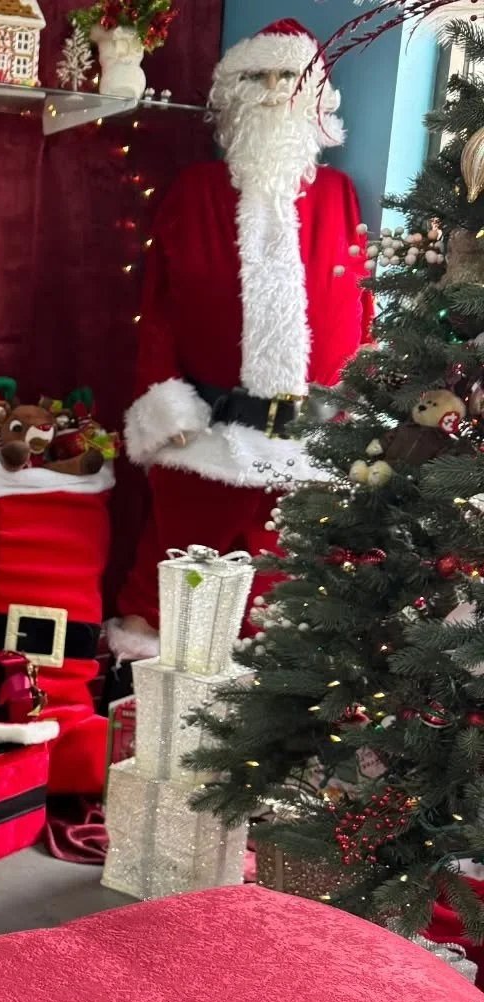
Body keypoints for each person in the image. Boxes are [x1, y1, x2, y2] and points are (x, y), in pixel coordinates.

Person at [108, 19, 373, 660]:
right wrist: (162, 399)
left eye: (290, 78)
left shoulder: (338, 196)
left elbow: (358, 305)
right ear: (232, 92)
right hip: (207, 424)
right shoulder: (195, 191)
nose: (275, 89)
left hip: (307, 433)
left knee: (286, 578)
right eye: (259, 76)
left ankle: (267, 714)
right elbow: (161, 309)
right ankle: (141, 700)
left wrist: (357, 401)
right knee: (169, 571)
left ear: (314, 99)